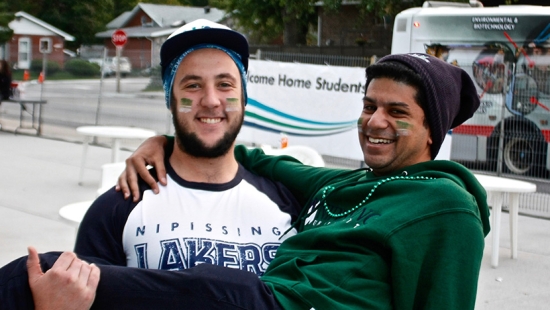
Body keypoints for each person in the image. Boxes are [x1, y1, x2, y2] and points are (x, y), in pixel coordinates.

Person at [0, 53, 490, 309]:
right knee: (58, 275)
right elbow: (254, 155)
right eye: (369, 106)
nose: (375, 121)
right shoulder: (340, 186)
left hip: (279, 304)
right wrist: (164, 143)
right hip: (261, 299)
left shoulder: (445, 206)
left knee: (44, 272)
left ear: (433, 129)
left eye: (397, 112)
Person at [0, 19, 301, 309]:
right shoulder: (118, 208)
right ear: (169, 99)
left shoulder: (290, 204)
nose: (210, 100)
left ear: (244, 97)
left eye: (225, 84)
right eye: (192, 86)